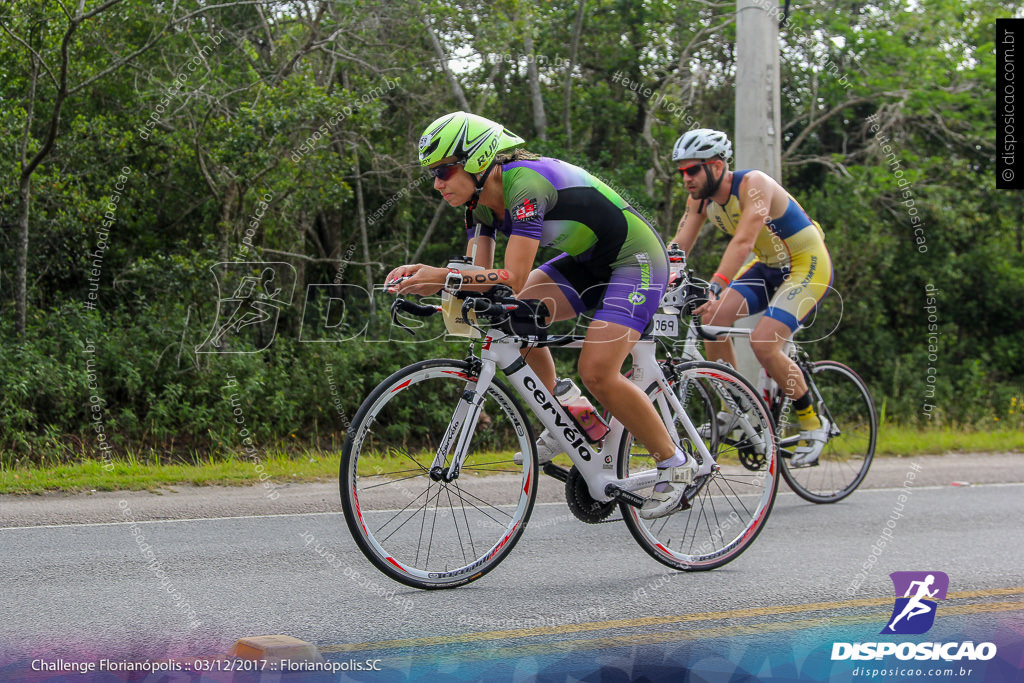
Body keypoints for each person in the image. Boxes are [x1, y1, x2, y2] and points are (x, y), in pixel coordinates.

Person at [385, 111, 694, 519]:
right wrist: (443, 285)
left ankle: (675, 464)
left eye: (444, 170)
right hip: (587, 263)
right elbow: (487, 283)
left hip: (633, 260)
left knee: (599, 370)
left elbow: (510, 277)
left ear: (477, 160)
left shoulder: (523, 186)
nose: (438, 183)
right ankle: (570, 414)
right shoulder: (478, 206)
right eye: (433, 174)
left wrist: (441, 276)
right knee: (510, 315)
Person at [669, 128, 834, 465]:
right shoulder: (699, 200)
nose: (686, 178)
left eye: (692, 170)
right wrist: (659, 282)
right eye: (681, 171)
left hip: (806, 264)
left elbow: (743, 242)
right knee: (712, 320)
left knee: (763, 344)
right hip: (770, 267)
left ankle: (812, 422)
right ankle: (736, 407)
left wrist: (714, 286)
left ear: (716, 166)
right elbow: (678, 248)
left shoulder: (753, 184)